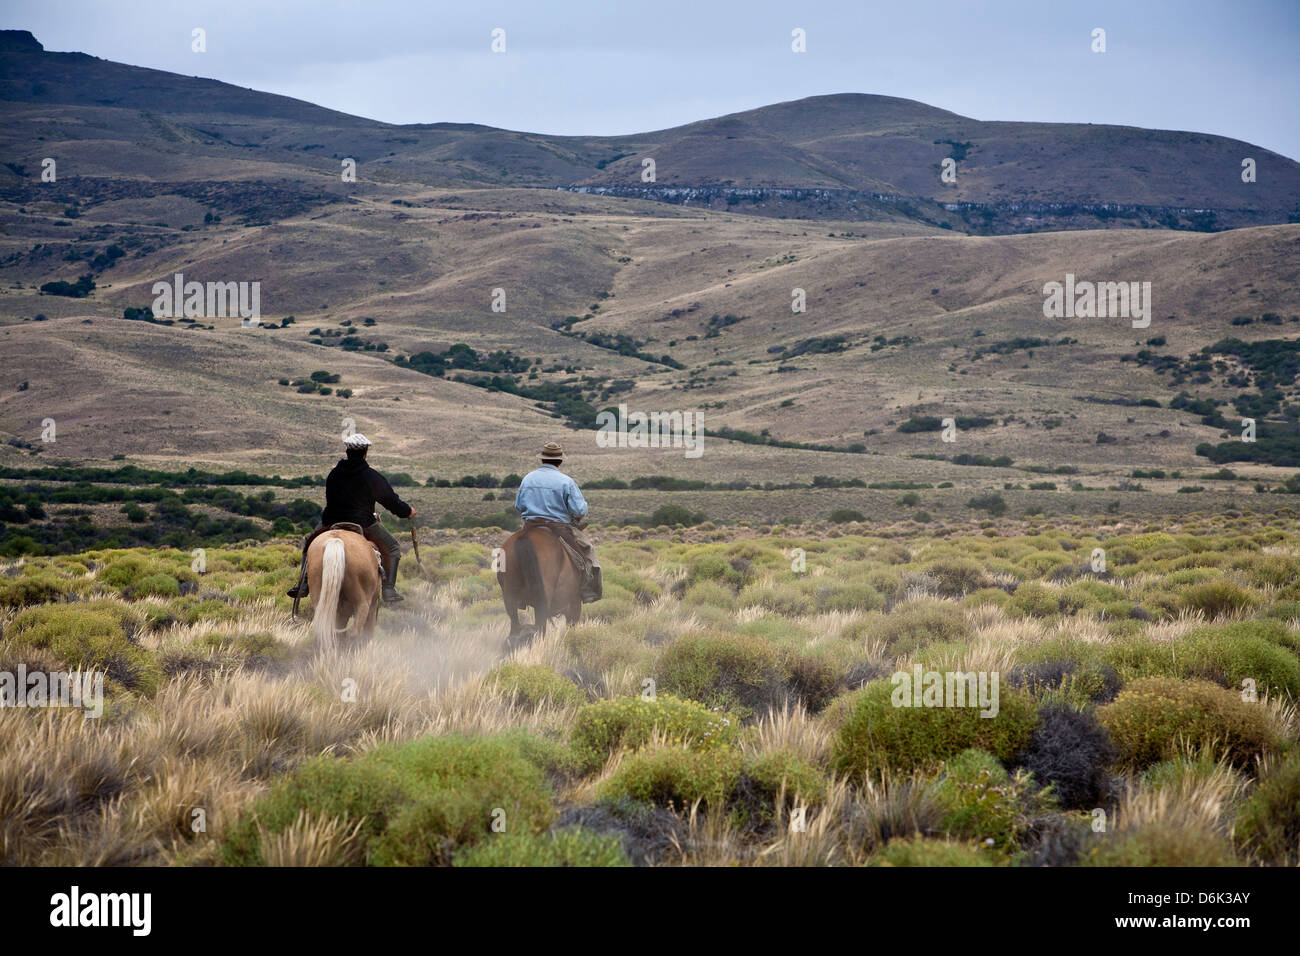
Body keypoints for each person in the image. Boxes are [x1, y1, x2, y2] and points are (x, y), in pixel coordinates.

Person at [286, 433, 415, 603]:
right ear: (365, 452)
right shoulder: (371, 476)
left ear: (347, 451)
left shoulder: (333, 474)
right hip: (364, 522)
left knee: (309, 544)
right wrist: (407, 512)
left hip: (330, 521)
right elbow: (391, 501)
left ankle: (303, 585)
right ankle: (389, 590)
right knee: (393, 549)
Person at [514, 441, 602, 602]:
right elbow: (580, 510)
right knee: (587, 554)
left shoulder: (528, 479)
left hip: (530, 526)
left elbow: (519, 506)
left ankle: (517, 594)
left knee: (509, 557)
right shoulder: (566, 481)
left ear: (542, 460)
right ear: (560, 461)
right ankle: (588, 591)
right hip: (559, 528)